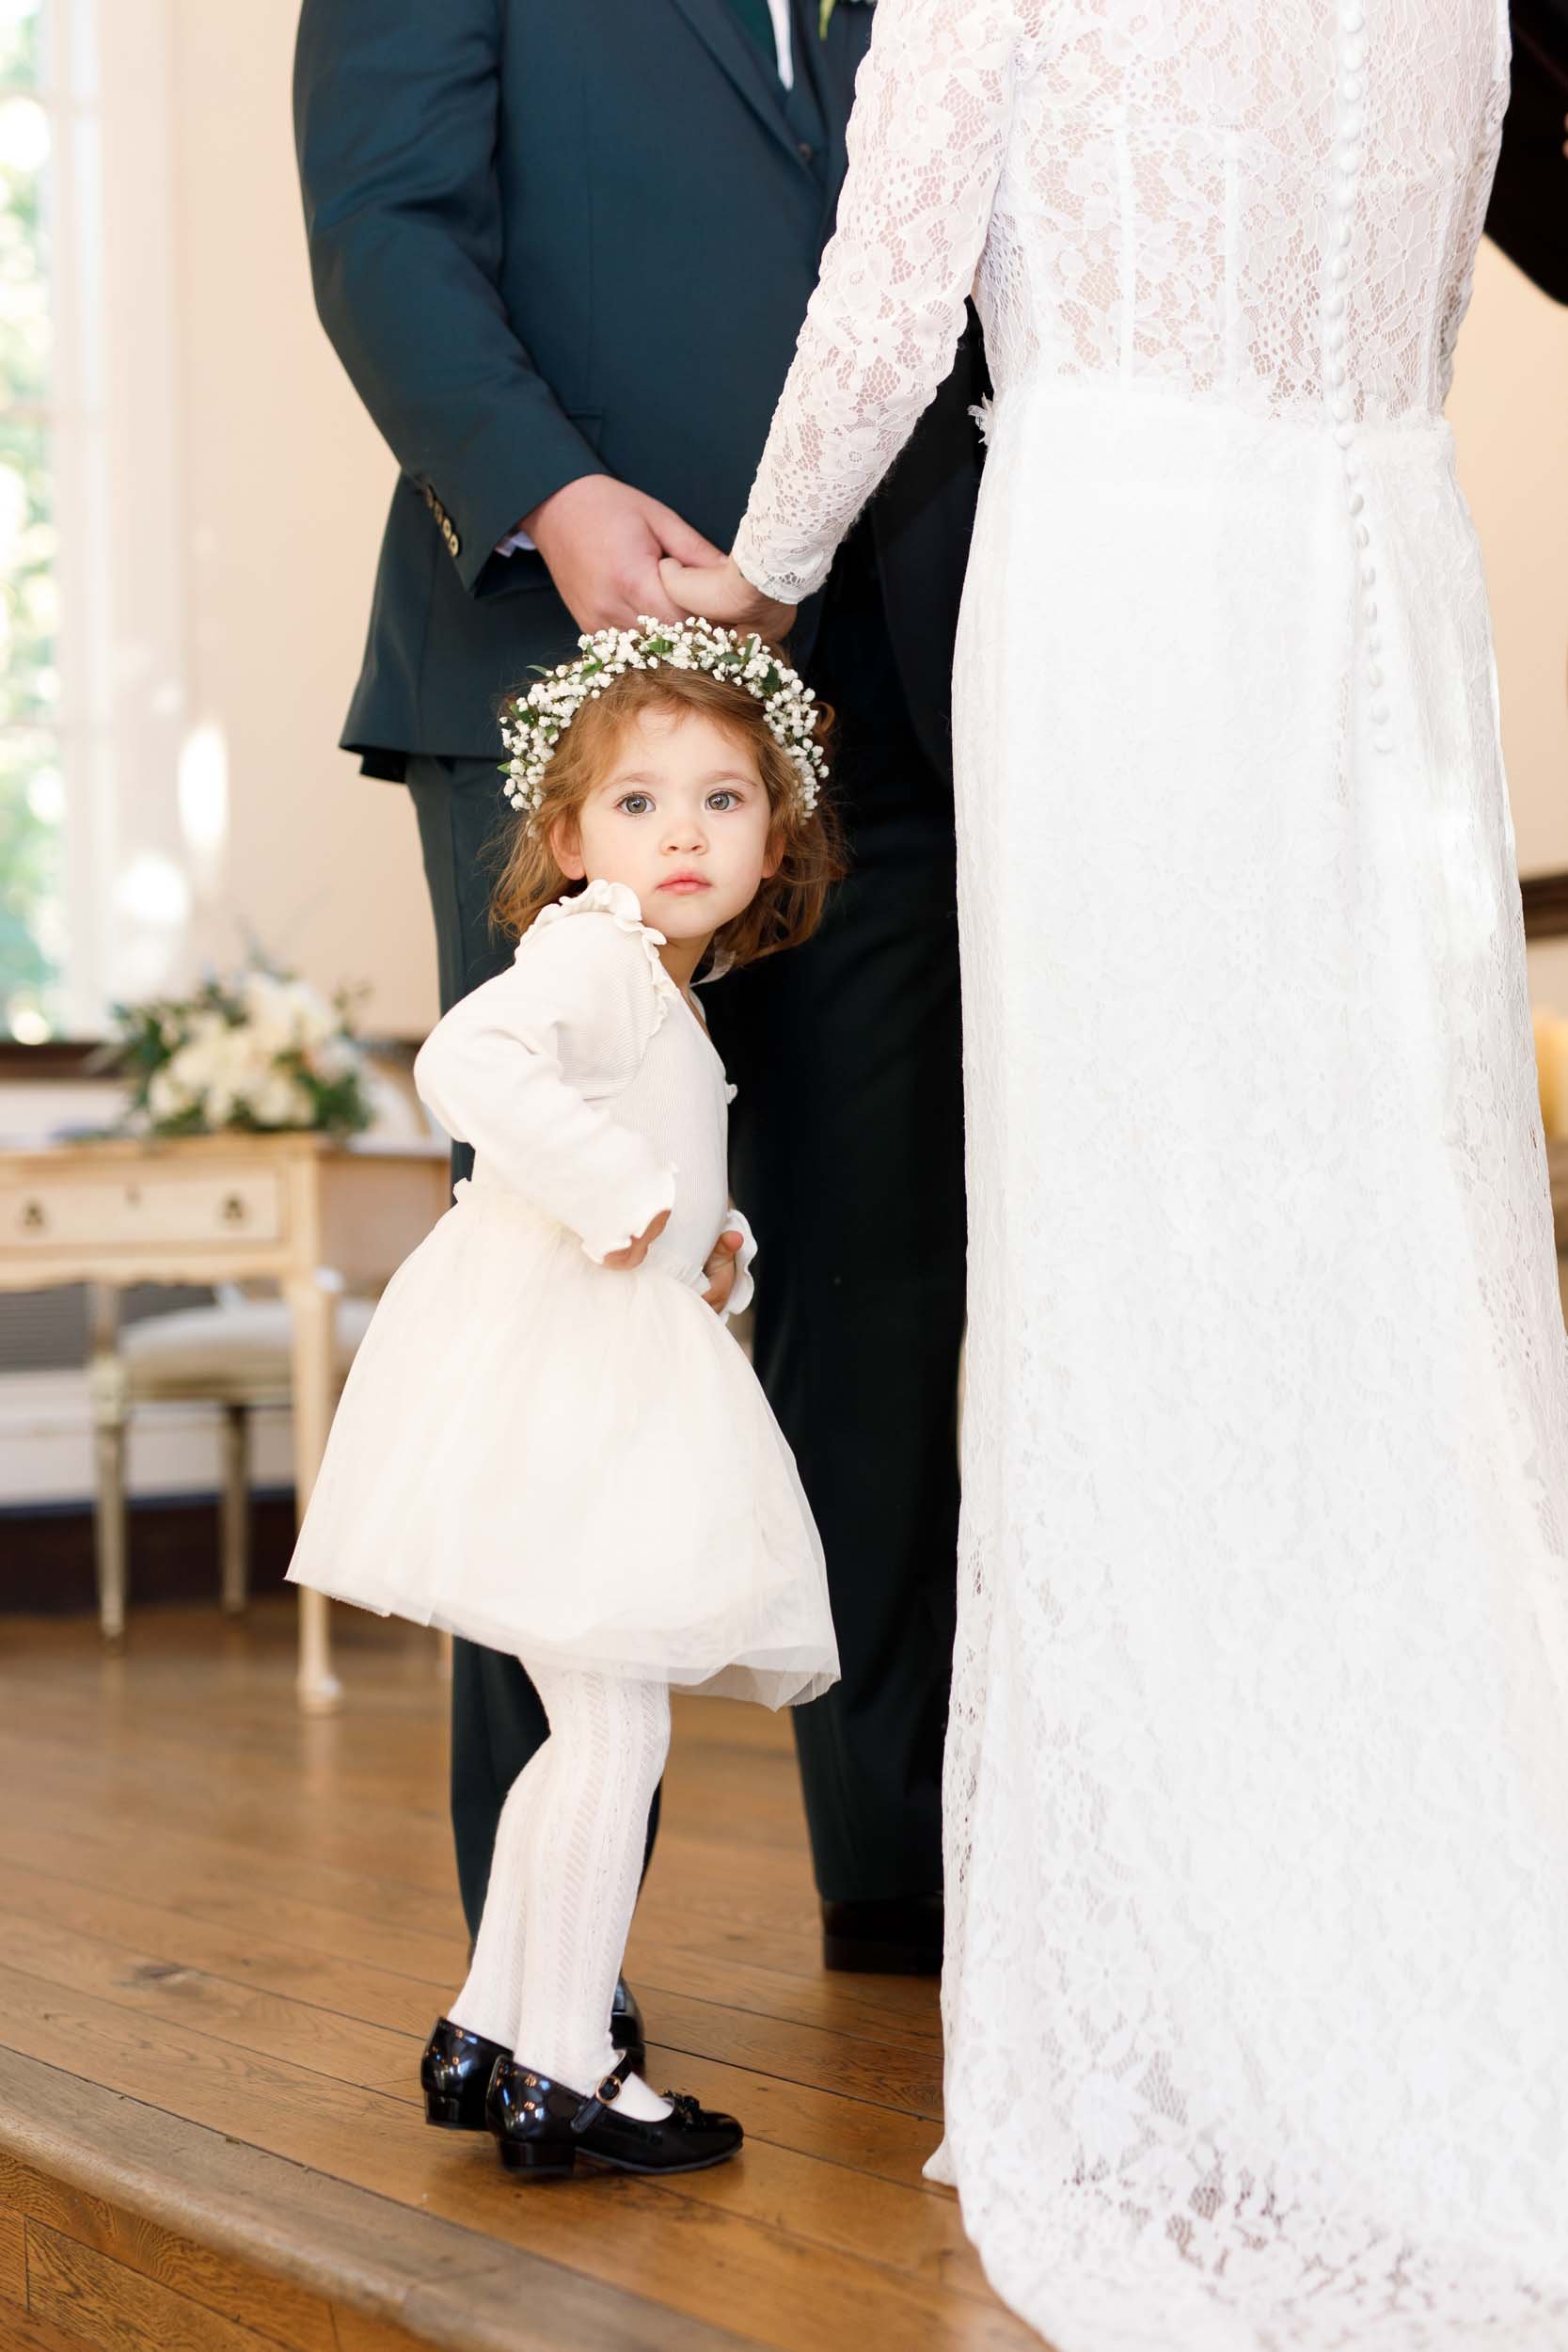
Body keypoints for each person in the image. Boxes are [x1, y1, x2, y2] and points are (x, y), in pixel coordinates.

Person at [665, 0, 1568, 2342]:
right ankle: (1409, 1911)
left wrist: (741, 598)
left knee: (1144, 1268)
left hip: (1133, 603)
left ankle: (1208, 2000)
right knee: (1388, 1280)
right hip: (1388, 575)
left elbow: (885, 302)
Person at [293, 0, 982, 1989]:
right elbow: (384, 220)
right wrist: (554, 493)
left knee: (876, 1292)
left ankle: (898, 1878)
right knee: (567, 1291)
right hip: (545, 673)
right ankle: (545, 1960)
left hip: (880, 703)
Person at [288, 626, 842, 2176]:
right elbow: (470, 1062)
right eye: (641, 802)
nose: (683, 833)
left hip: (574, 1377)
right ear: (567, 837)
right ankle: (566, 2066)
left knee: (582, 1730)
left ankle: (488, 2027)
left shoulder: (662, 988)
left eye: (724, 801)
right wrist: (626, 1192)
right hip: (568, 1391)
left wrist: (702, 1237)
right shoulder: (593, 958)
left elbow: (641, 1162)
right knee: (615, 1736)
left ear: (774, 837)